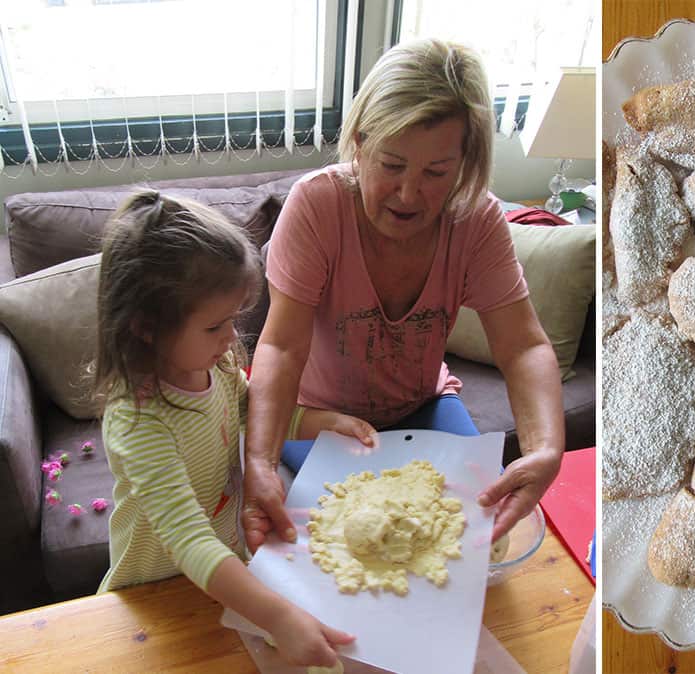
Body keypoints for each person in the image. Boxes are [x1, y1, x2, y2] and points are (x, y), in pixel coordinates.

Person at [241, 38, 566, 554]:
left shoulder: (476, 220)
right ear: (361, 143)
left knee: (472, 541)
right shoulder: (317, 206)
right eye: (392, 165)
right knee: (358, 548)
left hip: (424, 405)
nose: (410, 194)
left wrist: (547, 449)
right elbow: (280, 348)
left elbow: (523, 347)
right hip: (320, 419)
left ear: (464, 165)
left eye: (436, 173)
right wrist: (258, 462)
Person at [93, 191, 375, 668]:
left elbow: (256, 413)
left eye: (234, 320)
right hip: (156, 593)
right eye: (215, 326)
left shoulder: (218, 364)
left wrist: (322, 423)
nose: (231, 338)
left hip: (224, 574)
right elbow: (187, 539)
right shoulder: (138, 420)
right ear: (145, 327)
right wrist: (280, 618)